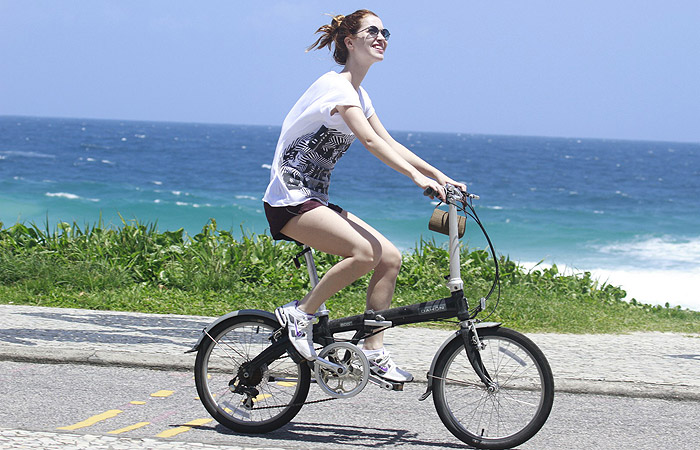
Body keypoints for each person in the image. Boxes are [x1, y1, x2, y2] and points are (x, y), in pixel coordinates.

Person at [262, 9, 465, 383]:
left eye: (384, 31)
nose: (381, 36)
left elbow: (388, 141)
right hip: (288, 199)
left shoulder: (359, 93)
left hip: (313, 199)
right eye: (372, 31)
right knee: (364, 253)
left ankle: (372, 351)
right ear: (350, 42)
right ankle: (301, 313)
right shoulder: (335, 86)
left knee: (389, 257)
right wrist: (419, 180)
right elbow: (370, 142)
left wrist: (441, 176)